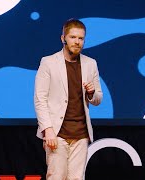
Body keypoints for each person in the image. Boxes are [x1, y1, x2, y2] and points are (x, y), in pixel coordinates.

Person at [34, 18, 103, 180]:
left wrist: (92, 93)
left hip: (81, 134)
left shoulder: (90, 64)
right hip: (57, 134)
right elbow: (40, 98)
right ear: (63, 38)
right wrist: (48, 130)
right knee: (56, 177)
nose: (77, 42)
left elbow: (98, 99)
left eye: (81, 38)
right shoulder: (48, 62)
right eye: (73, 37)